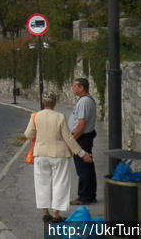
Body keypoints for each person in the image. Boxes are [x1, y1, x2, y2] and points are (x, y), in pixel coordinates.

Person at [25, 91, 93, 224]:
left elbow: (28, 134)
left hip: (40, 154)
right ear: (55, 103)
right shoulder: (60, 117)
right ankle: (56, 213)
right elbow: (68, 138)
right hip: (59, 155)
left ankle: (45, 212)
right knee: (60, 183)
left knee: (41, 183)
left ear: (42, 102)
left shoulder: (35, 116)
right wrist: (82, 154)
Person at [68, 77, 98, 205]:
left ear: (82, 88)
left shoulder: (84, 101)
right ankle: (90, 194)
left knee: (83, 168)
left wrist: (72, 139)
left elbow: (81, 124)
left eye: (75, 86)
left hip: (81, 138)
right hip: (84, 137)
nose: (73, 88)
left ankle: (84, 196)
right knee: (88, 166)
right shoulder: (85, 100)